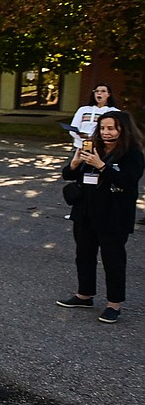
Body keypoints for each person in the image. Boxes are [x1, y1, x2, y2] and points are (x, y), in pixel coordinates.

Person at [56, 110, 144, 324]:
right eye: (103, 128)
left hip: (114, 215)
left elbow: (128, 181)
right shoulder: (93, 147)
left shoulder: (132, 153)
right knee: (84, 254)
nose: (105, 132)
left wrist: (101, 165)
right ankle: (84, 295)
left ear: (123, 129)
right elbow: (69, 175)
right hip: (85, 211)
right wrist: (75, 164)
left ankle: (114, 304)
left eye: (111, 128)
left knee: (112, 259)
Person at [66, 83, 118, 148]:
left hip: (101, 146)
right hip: (80, 146)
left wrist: (94, 139)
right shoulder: (83, 109)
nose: (99, 93)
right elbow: (73, 129)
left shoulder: (115, 112)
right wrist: (85, 139)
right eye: (97, 91)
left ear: (109, 94)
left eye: (103, 91)